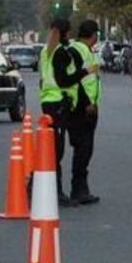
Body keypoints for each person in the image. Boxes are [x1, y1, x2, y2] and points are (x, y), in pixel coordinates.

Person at [39, 18, 95, 205]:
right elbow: (64, 81)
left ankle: (48, 188)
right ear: (65, 33)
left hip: (47, 101)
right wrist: (86, 71)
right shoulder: (60, 52)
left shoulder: (45, 51)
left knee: (52, 147)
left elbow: (44, 78)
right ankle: (56, 192)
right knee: (57, 149)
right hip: (59, 104)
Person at [66, 19, 103, 205]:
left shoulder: (87, 51)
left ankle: (81, 187)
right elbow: (76, 80)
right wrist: (87, 102)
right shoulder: (76, 51)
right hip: (81, 109)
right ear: (94, 35)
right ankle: (78, 189)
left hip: (89, 108)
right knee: (82, 149)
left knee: (86, 150)